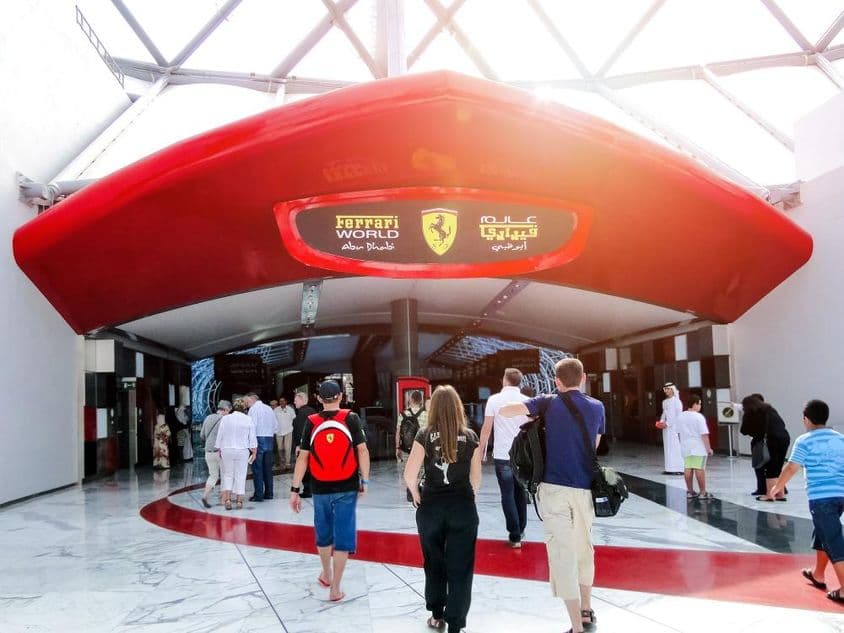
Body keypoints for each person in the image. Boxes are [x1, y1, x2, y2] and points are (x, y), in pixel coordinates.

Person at [500, 358, 604, 633]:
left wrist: (533, 413)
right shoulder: (597, 407)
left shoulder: (547, 402)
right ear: (582, 378)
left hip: (553, 490)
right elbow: (594, 445)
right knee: (584, 549)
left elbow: (508, 412)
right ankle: (586, 609)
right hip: (584, 490)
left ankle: (575, 627)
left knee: (562, 554)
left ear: (557, 381)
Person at [404, 385, 481, 633]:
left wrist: (417, 494)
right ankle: (456, 624)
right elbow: (476, 478)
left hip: (432, 508)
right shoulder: (470, 437)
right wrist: (469, 499)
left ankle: (437, 614)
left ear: (433, 407)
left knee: (434, 562)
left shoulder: (424, 435)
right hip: (462, 507)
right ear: (458, 407)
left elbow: (409, 474)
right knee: (461, 566)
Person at [290, 381, 370, 603]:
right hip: (347, 486)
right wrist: (365, 480)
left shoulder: (311, 422)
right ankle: (335, 588)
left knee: (323, 532)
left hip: (320, 486)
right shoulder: (351, 418)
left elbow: (303, 458)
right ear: (341, 396)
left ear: (318, 399)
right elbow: (362, 451)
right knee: (343, 535)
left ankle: (326, 573)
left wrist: (295, 490)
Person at [771, 400, 844, 604]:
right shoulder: (840, 439)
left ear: (806, 419)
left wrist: (777, 487)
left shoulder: (805, 440)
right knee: (822, 532)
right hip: (840, 495)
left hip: (821, 498)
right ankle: (818, 574)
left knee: (833, 539)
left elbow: (792, 467)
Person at [479, 367, 529, 548]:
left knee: (507, 494)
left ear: (504, 380)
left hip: (502, 455)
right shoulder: (527, 401)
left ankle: (514, 535)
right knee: (520, 493)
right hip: (523, 457)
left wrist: (481, 453)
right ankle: (521, 529)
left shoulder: (494, 400)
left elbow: (486, 428)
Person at [742, 394, 791, 501]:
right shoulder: (770, 409)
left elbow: (744, 430)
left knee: (770, 469)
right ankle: (780, 494)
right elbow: (781, 423)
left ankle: (770, 495)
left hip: (770, 440)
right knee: (778, 468)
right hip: (784, 438)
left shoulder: (751, 413)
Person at [215, 398, 257, 510]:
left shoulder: (226, 419)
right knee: (241, 475)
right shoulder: (248, 419)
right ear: (244, 408)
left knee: (228, 475)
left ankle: (228, 500)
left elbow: (220, 435)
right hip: (242, 450)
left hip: (227, 449)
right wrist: (254, 450)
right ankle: (239, 501)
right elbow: (252, 437)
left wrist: (218, 448)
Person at [675, 393, 714, 499]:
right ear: (695, 404)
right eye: (699, 404)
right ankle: (702, 492)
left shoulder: (681, 416)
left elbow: (678, 432)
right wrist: (708, 448)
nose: (700, 406)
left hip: (686, 446)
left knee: (688, 468)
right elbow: (704, 434)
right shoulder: (698, 417)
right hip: (698, 447)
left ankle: (690, 491)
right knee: (699, 469)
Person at [199, 400, 231, 508]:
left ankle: (205, 496)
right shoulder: (225, 420)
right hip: (220, 452)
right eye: (229, 411)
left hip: (208, 452)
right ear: (225, 410)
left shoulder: (208, 418)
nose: (229, 414)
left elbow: (202, 435)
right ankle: (223, 499)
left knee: (213, 475)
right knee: (225, 475)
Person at [245, 392, 276, 501]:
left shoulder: (253, 409)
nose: (247, 404)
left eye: (247, 402)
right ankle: (269, 493)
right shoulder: (269, 409)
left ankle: (258, 495)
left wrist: (251, 444)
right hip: (270, 439)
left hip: (258, 440)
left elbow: (251, 427)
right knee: (268, 469)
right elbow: (276, 426)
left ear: (253, 399)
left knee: (257, 469)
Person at [740, 393, 769, 495]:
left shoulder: (749, 414)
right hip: (773, 440)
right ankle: (780, 487)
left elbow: (743, 430)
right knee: (773, 466)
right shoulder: (768, 411)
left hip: (758, 441)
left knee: (759, 466)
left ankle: (761, 488)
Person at [293, 391, 317, 498]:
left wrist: (298, 445)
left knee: (304, 467)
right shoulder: (313, 411)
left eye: (296, 400)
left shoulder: (301, 413)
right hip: (314, 444)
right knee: (313, 467)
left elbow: (300, 431)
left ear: (302, 400)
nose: (294, 402)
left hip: (304, 446)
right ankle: (314, 488)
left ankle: (308, 489)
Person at [657, 382, 684, 475]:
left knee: (675, 447)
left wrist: (667, 424)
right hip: (666, 428)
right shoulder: (664, 402)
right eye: (665, 389)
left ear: (672, 389)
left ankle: (678, 469)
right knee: (668, 447)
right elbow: (664, 413)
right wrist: (661, 421)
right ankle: (669, 468)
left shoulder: (677, 401)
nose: (666, 391)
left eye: (668, 389)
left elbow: (677, 416)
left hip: (674, 428)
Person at [396, 390, 428, 460]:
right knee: (422, 469)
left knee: (406, 469)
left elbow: (398, 433)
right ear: (421, 401)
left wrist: (397, 448)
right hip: (421, 449)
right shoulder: (426, 415)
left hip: (406, 450)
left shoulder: (402, 415)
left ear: (411, 400)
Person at [275, 396, 296, 469]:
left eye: (283, 401)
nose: (282, 402)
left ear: (286, 402)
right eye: (280, 401)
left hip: (288, 431)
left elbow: (294, 419)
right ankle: (282, 461)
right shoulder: (276, 410)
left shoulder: (290, 409)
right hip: (278, 431)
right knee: (280, 448)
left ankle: (287, 463)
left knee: (288, 448)